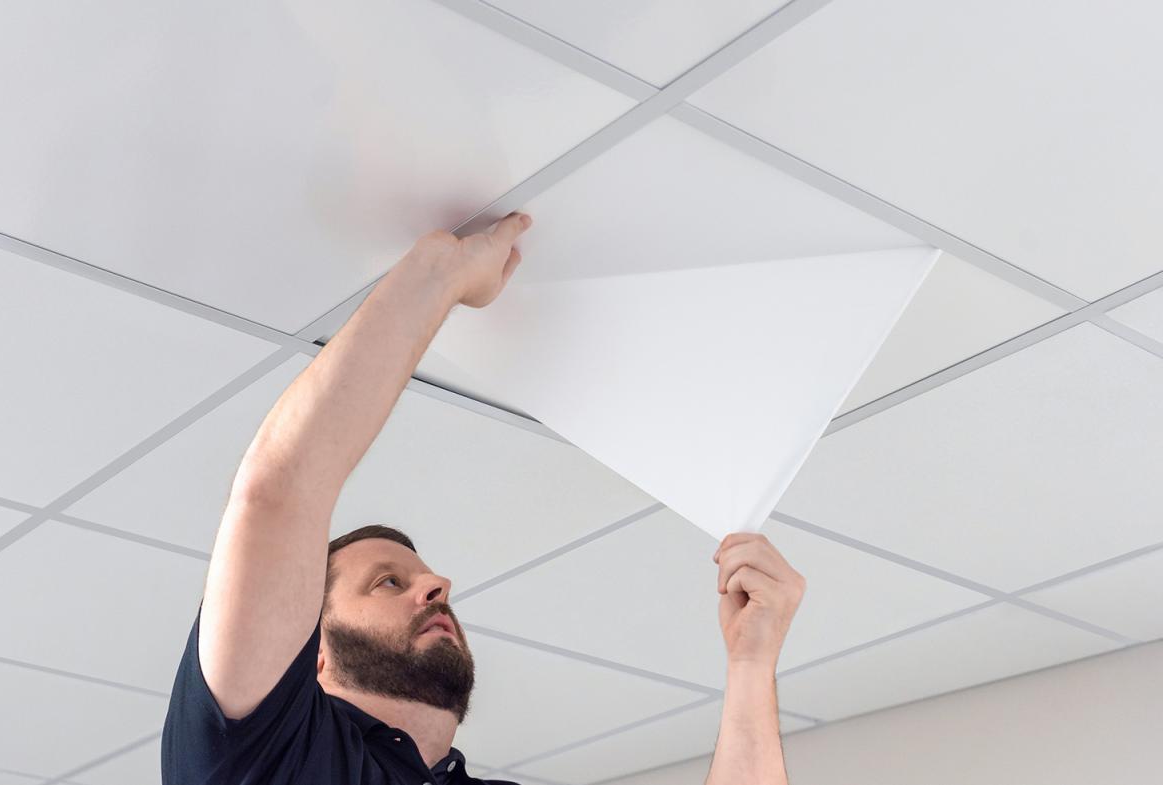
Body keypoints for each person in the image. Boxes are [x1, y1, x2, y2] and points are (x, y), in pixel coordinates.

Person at [161, 212, 807, 784]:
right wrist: (437, 277)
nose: (438, 582)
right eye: (387, 582)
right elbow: (279, 494)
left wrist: (752, 662)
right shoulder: (261, 759)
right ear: (314, 650)